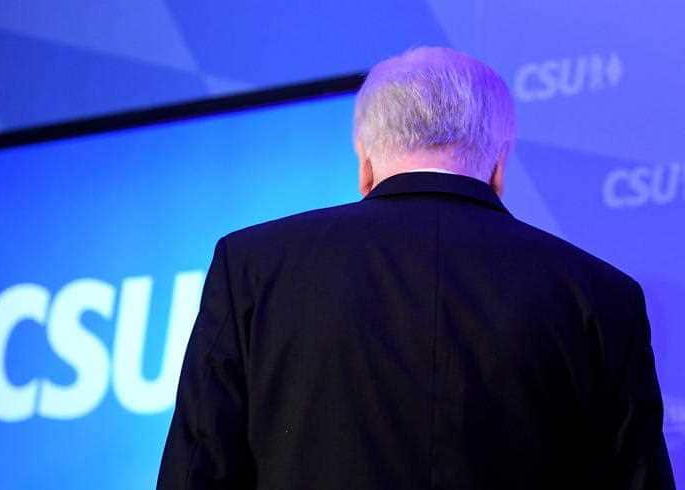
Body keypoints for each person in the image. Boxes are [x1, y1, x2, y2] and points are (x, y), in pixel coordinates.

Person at [156, 46, 674, 489]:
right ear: (499, 163)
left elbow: (198, 473)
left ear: (364, 160)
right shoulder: (603, 296)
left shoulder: (252, 267)